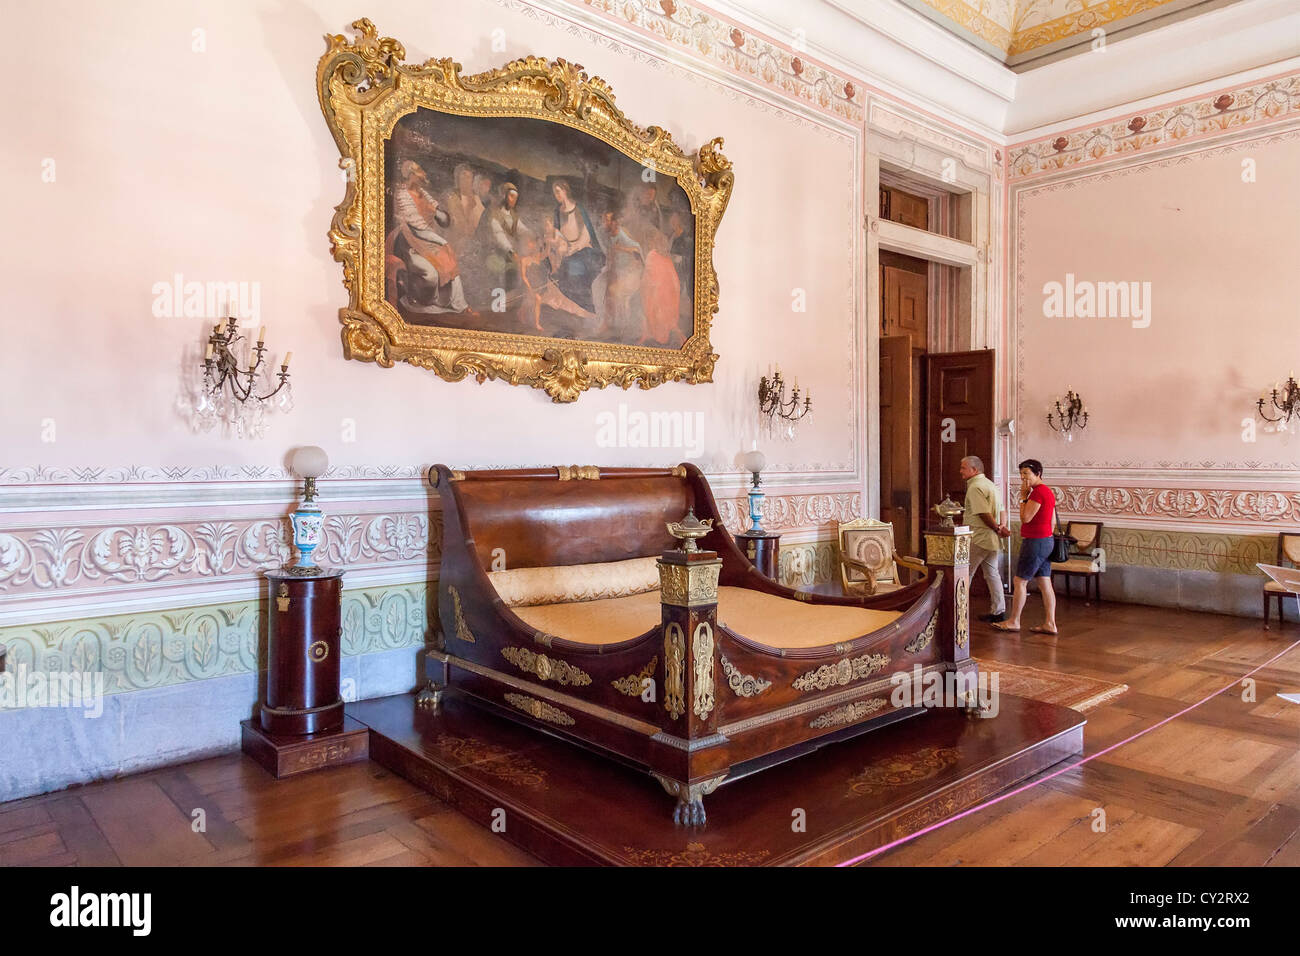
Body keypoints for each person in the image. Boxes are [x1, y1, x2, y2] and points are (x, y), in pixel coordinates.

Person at [993, 458, 1058, 635]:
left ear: (1038, 474)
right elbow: (1051, 521)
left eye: (1026, 473)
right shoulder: (1048, 492)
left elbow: (1026, 518)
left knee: (1019, 581)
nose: (1023, 478)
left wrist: (1022, 498)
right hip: (1046, 540)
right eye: (1021, 474)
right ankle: (1050, 623)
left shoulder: (1037, 493)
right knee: (1045, 582)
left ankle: (1014, 621)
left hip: (1035, 541)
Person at [959, 455, 1010, 623]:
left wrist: (996, 527)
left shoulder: (975, 487)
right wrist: (1001, 526)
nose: (960, 471)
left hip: (979, 537)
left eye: (963, 468)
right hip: (992, 538)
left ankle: (958, 611)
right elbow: (1002, 509)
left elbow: (982, 513)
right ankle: (998, 610)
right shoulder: (990, 485)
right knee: (992, 573)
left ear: (974, 470)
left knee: (964, 573)